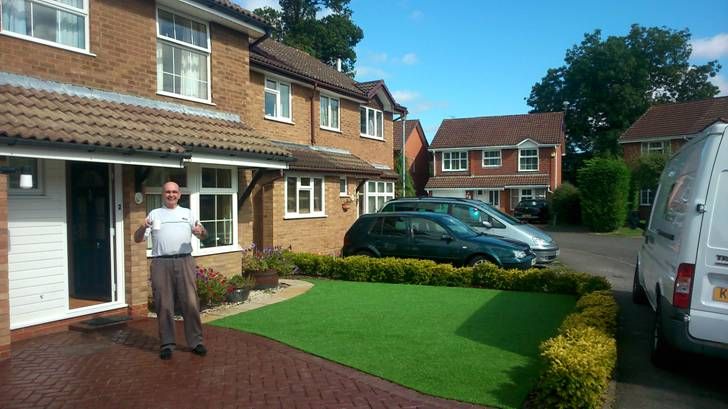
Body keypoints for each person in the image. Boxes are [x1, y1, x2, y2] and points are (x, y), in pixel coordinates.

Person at [134, 181, 208, 360]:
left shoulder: (188, 214)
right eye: (168, 192)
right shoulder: (154, 214)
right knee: (164, 304)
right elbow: (137, 239)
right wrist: (143, 226)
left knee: (190, 303)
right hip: (161, 263)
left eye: (174, 192)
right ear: (163, 194)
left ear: (179, 195)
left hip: (185, 261)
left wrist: (201, 232)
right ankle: (167, 343)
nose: (171, 195)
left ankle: (196, 342)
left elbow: (204, 234)